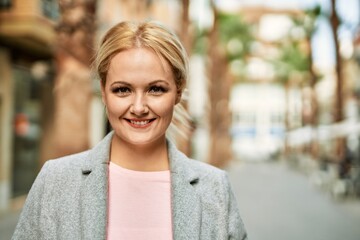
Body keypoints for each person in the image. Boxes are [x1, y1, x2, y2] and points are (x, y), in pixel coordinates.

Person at [12, 20, 248, 240]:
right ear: (103, 91)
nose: (138, 107)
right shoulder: (55, 181)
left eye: (155, 89)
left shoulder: (215, 187)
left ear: (178, 91)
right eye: (122, 90)